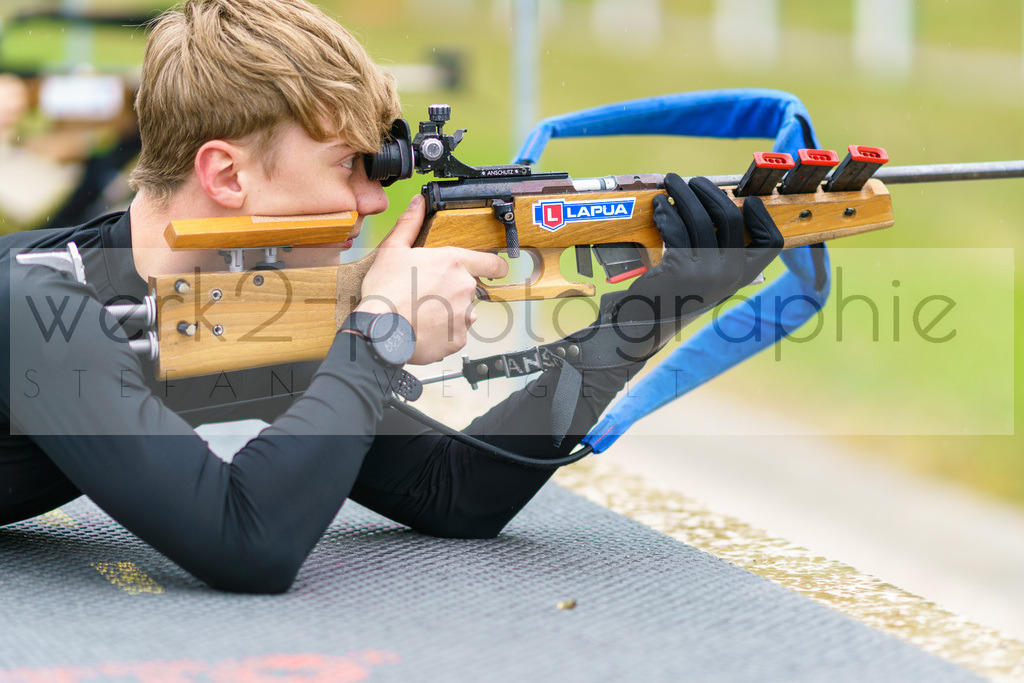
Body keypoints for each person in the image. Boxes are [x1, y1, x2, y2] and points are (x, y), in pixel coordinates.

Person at [0, 0, 782, 593]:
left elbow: (457, 491)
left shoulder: (231, 308)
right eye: (347, 165)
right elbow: (247, 540)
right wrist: (379, 332)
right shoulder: (41, 304)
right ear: (227, 175)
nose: (374, 202)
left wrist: (653, 309)